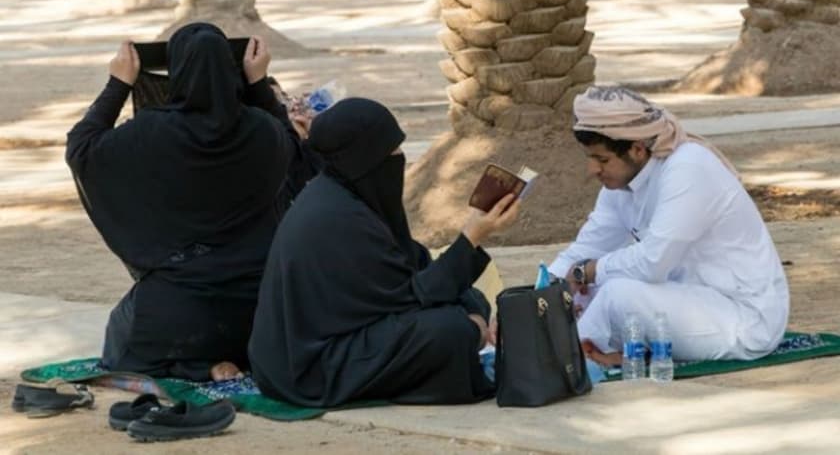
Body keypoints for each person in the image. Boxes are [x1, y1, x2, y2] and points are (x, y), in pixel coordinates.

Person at [65, 23, 320, 381]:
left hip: (181, 308)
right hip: (260, 307)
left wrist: (118, 84)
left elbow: (81, 147)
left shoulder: (150, 132)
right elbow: (296, 151)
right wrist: (259, 84)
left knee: (120, 343)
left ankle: (198, 365)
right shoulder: (263, 131)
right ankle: (235, 359)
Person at [248, 98, 520, 407]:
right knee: (451, 330)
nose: (400, 159)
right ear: (365, 159)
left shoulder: (348, 196)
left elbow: (415, 264)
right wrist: (471, 237)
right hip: (311, 367)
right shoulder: (338, 218)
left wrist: (471, 304)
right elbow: (411, 297)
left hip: (340, 338)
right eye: (392, 152)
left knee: (470, 298)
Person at [545, 86, 789, 365]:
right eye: (589, 158)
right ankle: (564, 349)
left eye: (602, 160)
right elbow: (587, 248)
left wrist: (587, 270)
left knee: (616, 293)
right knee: (582, 291)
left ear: (637, 149)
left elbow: (653, 262)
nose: (592, 170)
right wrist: (541, 295)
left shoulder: (687, 167)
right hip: (683, 299)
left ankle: (558, 360)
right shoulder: (620, 184)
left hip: (742, 319)